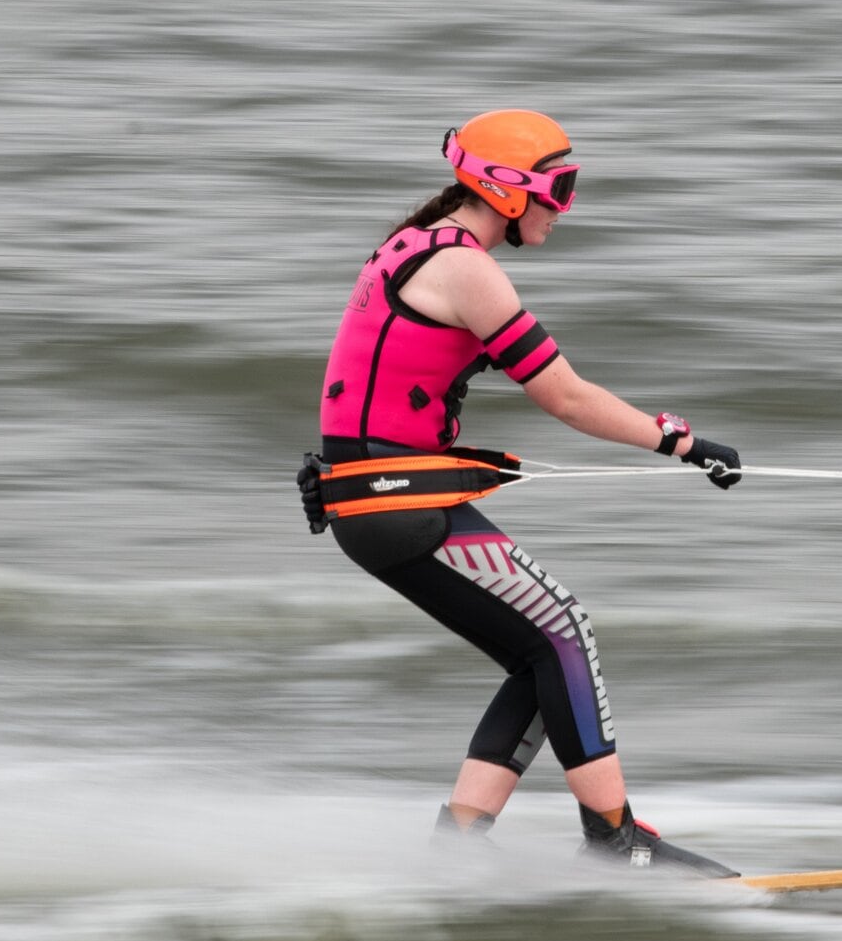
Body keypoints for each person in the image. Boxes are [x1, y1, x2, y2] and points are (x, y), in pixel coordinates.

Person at [296, 110, 742, 874]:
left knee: (540, 656)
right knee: (565, 628)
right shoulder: (468, 269)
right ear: (506, 191)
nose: (562, 207)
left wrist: (343, 475)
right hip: (395, 504)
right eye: (556, 190)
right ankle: (615, 840)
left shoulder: (414, 246)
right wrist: (681, 441)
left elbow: (371, 382)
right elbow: (567, 398)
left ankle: (459, 847)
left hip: (374, 496)